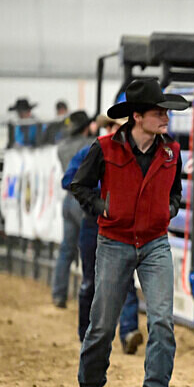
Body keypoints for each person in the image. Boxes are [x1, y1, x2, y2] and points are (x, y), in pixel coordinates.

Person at [70, 78, 188, 387]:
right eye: (158, 112)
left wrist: (169, 209)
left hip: (154, 242)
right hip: (114, 241)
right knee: (102, 324)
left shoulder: (171, 152)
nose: (165, 117)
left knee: (162, 320)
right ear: (137, 116)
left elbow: (176, 191)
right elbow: (80, 185)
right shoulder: (105, 148)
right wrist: (103, 208)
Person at [62, 115, 143, 354]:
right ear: (108, 128)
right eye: (116, 126)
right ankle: (87, 332)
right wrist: (101, 196)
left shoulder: (136, 154)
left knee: (125, 280)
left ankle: (128, 332)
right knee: (90, 280)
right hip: (95, 222)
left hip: (120, 224)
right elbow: (71, 180)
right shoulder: (93, 151)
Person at [51, 110, 94, 308]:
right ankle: (88, 291)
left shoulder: (62, 147)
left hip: (68, 199)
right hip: (83, 200)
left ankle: (59, 293)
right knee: (89, 247)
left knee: (66, 249)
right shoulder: (88, 145)